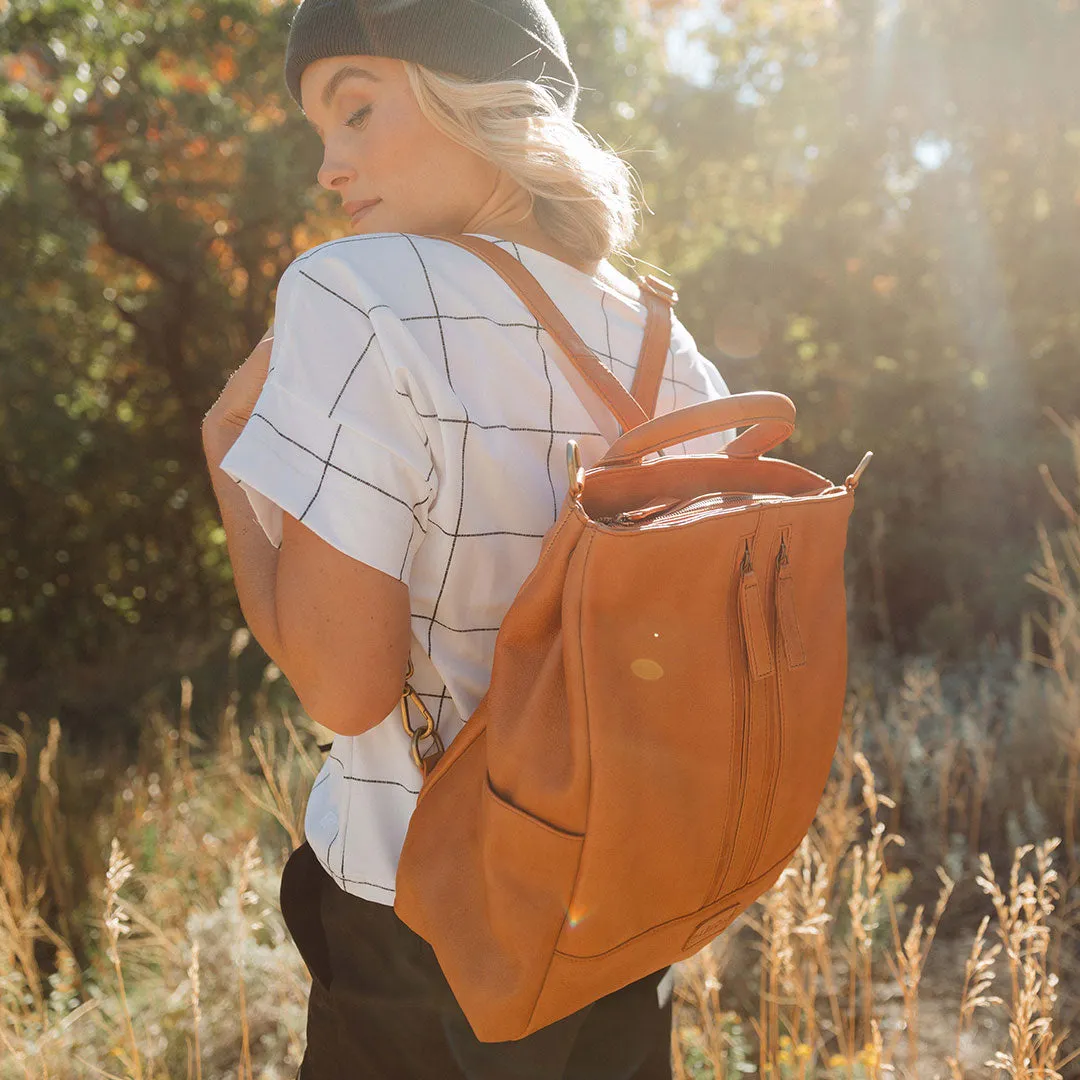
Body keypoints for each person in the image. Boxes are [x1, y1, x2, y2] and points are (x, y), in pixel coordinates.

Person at [211, 1, 735, 1075]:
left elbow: (345, 692)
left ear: (480, 100)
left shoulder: (353, 293)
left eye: (354, 111)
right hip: (629, 918)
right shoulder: (667, 344)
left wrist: (227, 457)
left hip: (428, 937)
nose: (328, 167)